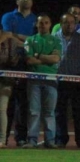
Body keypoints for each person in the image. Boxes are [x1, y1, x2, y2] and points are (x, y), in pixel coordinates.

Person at [2, 0, 37, 146]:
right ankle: (3, 137)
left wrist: (18, 37)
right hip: (9, 63)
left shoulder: (35, 19)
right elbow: (8, 36)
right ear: (17, 1)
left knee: (23, 102)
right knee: (6, 102)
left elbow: (37, 40)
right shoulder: (8, 17)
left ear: (32, 1)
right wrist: (29, 42)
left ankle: (21, 137)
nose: (25, 0)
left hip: (27, 63)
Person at [23, 14, 62, 147]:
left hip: (51, 80)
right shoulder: (30, 40)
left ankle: (50, 141)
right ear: (36, 24)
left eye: (46, 23)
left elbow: (56, 59)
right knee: (34, 111)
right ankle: (32, 140)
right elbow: (29, 60)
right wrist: (47, 59)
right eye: (41, 23)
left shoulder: (56, 40)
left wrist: (38, 56)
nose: (43, 25)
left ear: (50, 24)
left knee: (49, 112)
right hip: (34, 80)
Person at [54, 13, 80, 148]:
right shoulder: (54, 38)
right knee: (60, 111)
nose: (70, 25)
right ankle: (60, 139)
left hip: (78, 79)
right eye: (66, 22)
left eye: (72, 23)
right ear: (60, 24)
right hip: (59, 80)